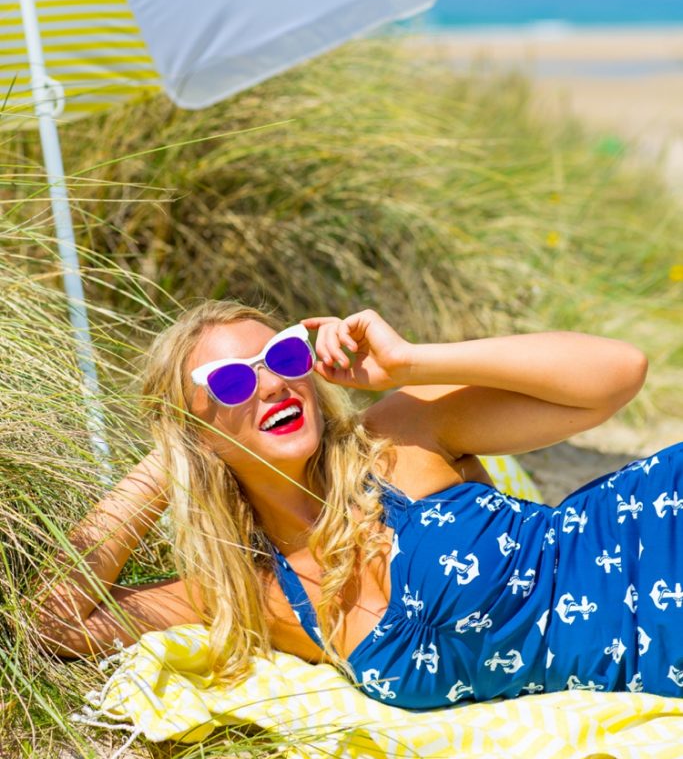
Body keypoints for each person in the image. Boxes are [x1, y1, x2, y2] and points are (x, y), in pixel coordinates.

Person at [34, 301, 683, 710]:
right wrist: (162, 466)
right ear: (196, 433)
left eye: (282, 356)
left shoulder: (394, 441)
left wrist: (410, 364)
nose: (271, 384)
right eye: (233, 381)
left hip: (653, 530)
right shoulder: (248, 593)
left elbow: (616, 372)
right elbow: (55, 625)